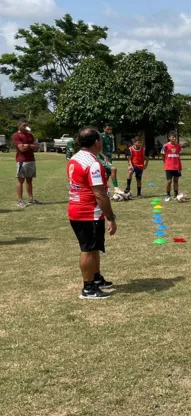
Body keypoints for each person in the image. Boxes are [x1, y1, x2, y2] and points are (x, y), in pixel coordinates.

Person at [67, 126, 117, 299]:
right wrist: (111, 217)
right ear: (97, 142)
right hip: (88, 211)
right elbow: (100, 194)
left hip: (77, 208)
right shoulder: (93, 163)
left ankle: (95, 278)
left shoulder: (75, 158)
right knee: (88, 249)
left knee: (94, 246)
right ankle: (88, 288)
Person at [13, 120, 40, 208]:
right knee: (21, 180)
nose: (26, 127)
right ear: (19, 126)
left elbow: (36, 147)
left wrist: (27, 145)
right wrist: (29, 146)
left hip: (31, 160)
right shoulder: (16, 135)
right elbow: (21, 149)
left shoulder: (30, 134)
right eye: (24, 125)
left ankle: (31, 199)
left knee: (29, 180)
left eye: (27, 125)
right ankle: (20, 200)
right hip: (22, 160)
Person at [161, 133, 183, 201]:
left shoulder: (178, 146)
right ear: (169, 137)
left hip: (177, 166)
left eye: (175, 137)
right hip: (169, 166)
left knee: (176, 180)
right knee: (169, 181)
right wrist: (165, 162)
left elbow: (179, 153)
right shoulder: (165, 145)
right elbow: (162, 154)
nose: (174, 138)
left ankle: (176, 195)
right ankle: (168, 195)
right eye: (173, 137)